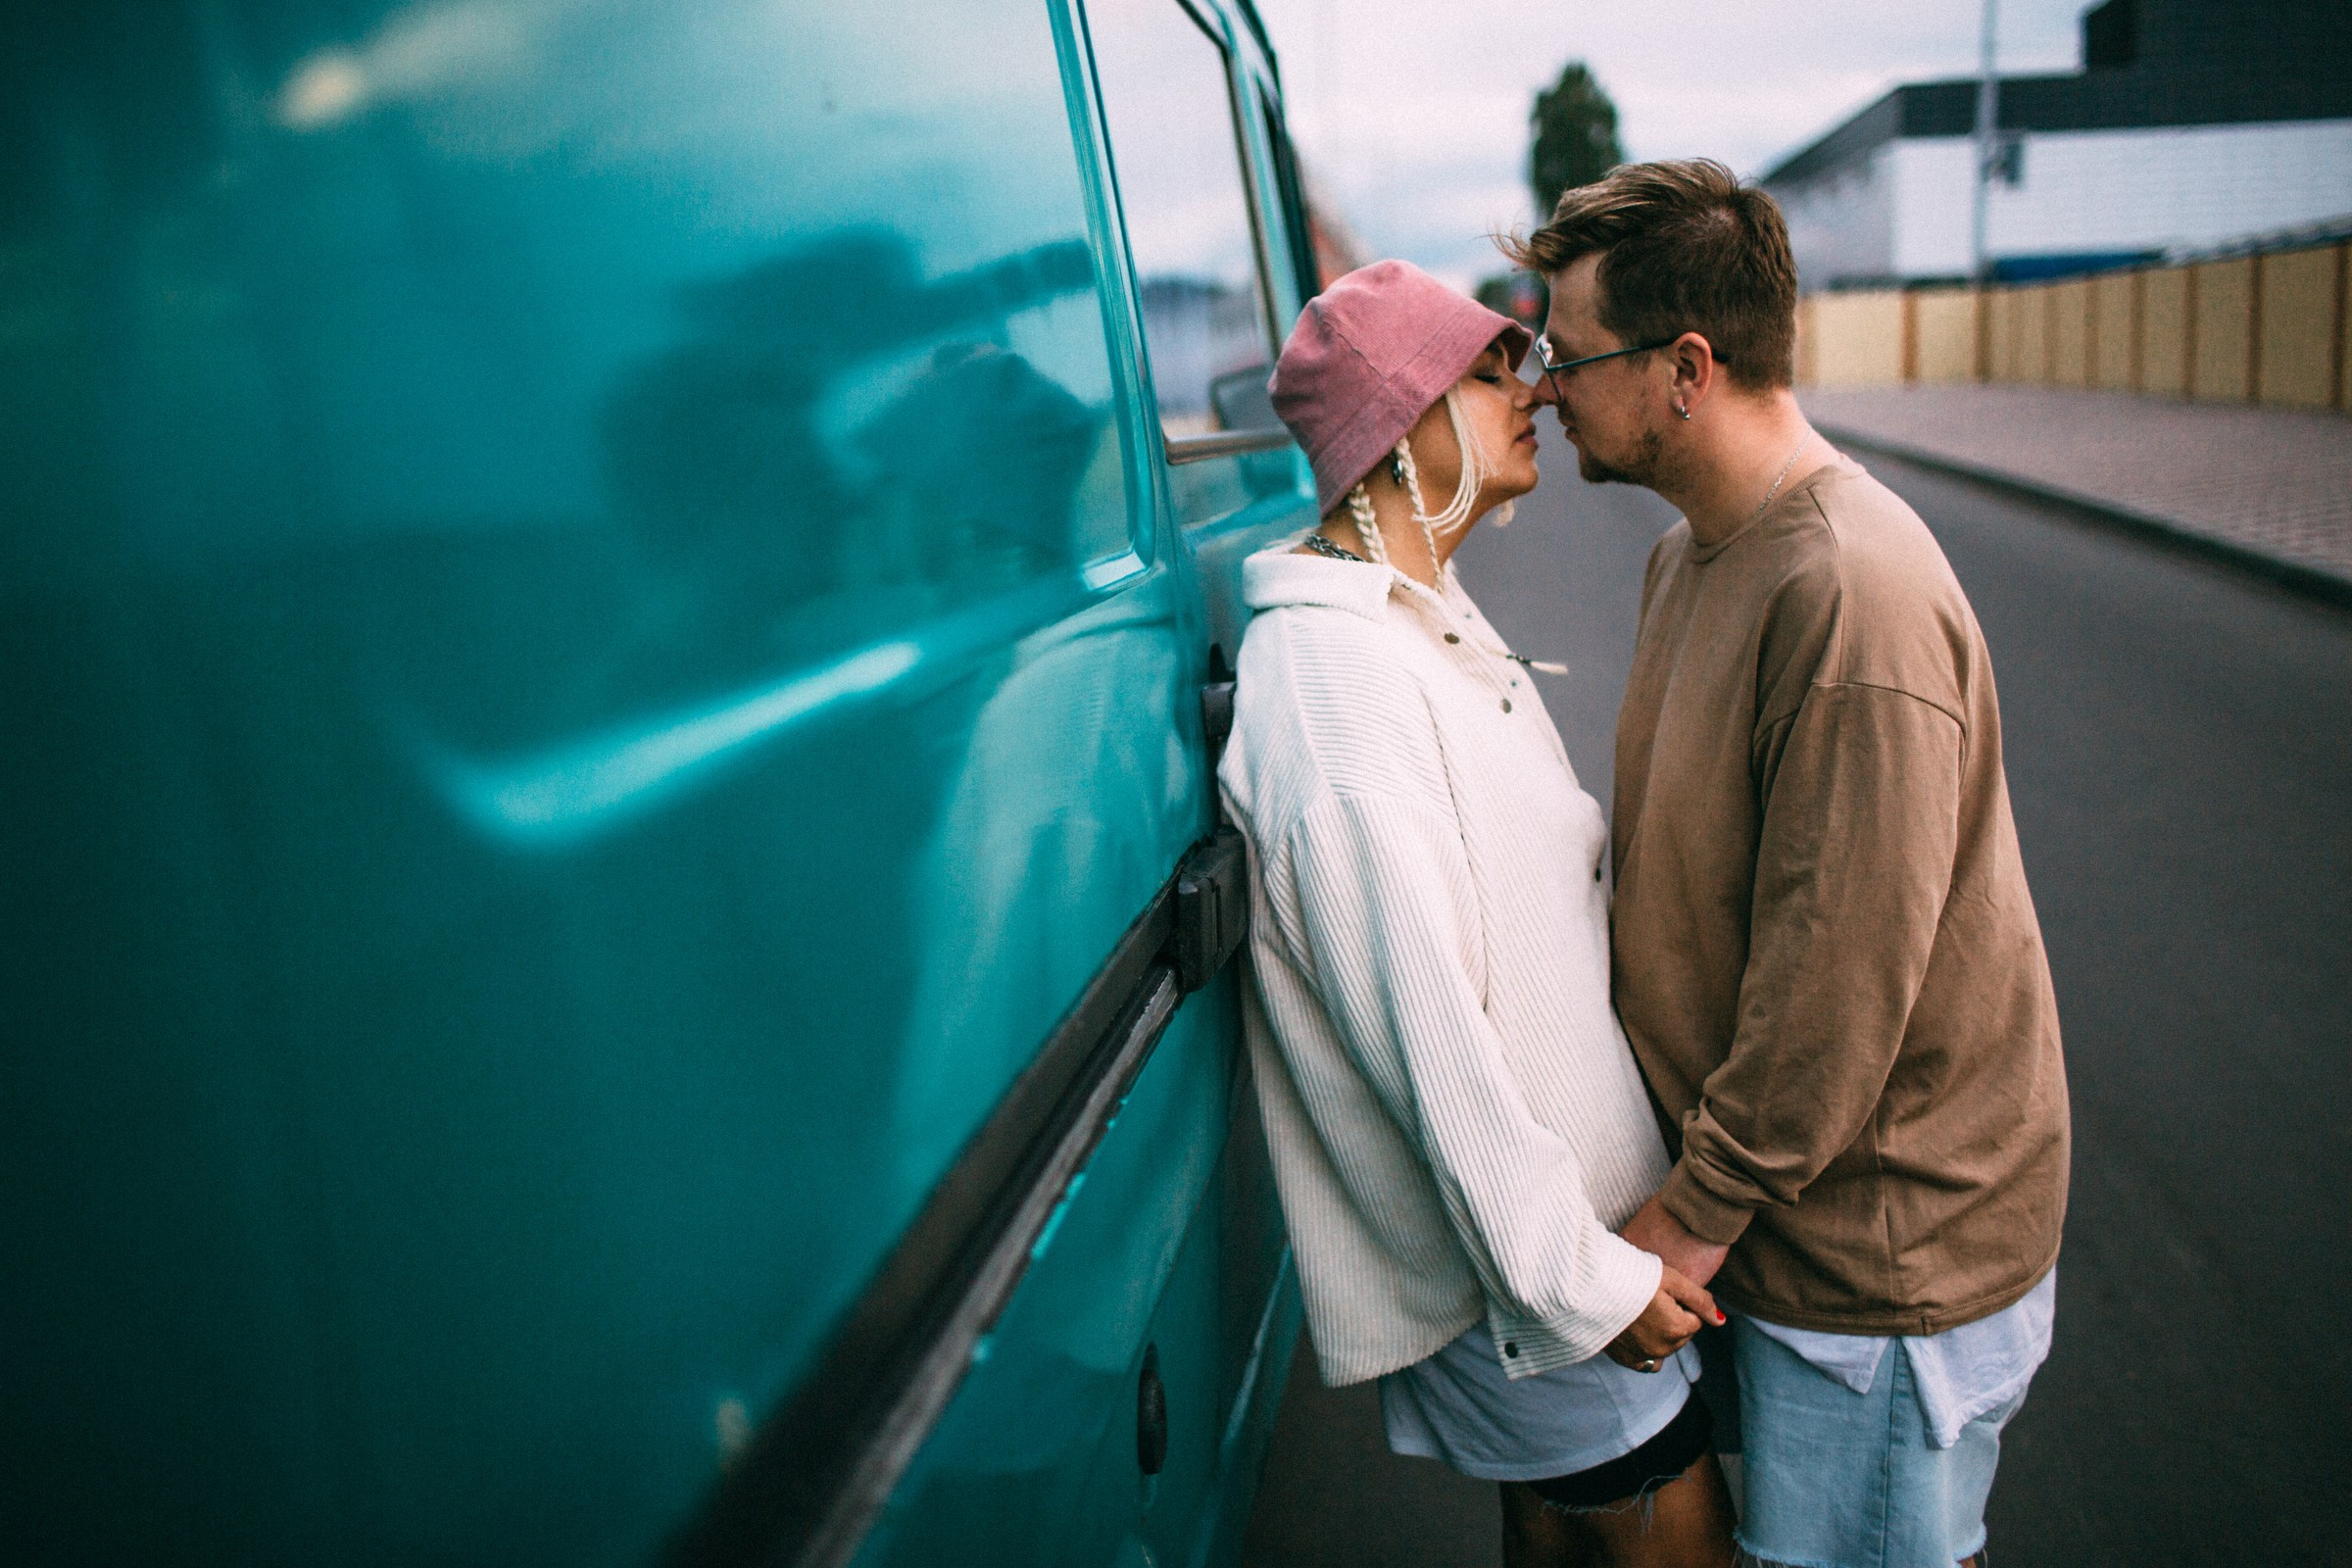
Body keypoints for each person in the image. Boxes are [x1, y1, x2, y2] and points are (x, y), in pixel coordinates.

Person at [1503, 161, 2072, 1568]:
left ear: (1687, 369)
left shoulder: (1850, 594)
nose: (1545, 388)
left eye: (1572, 356)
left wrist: (1688, 1222)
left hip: (1881, 1263)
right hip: (1780, 1228)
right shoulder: (1693, 558)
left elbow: (1839, 986)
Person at [1219, 259, 1739, 1567]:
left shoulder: (1417, 615)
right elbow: (1428, 1043)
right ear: (1401, 426)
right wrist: (1582, 1283)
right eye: (1489, 371)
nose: (1535, 392)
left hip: (1571, 1241)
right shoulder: (1335, 689)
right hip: (1531, 1275)